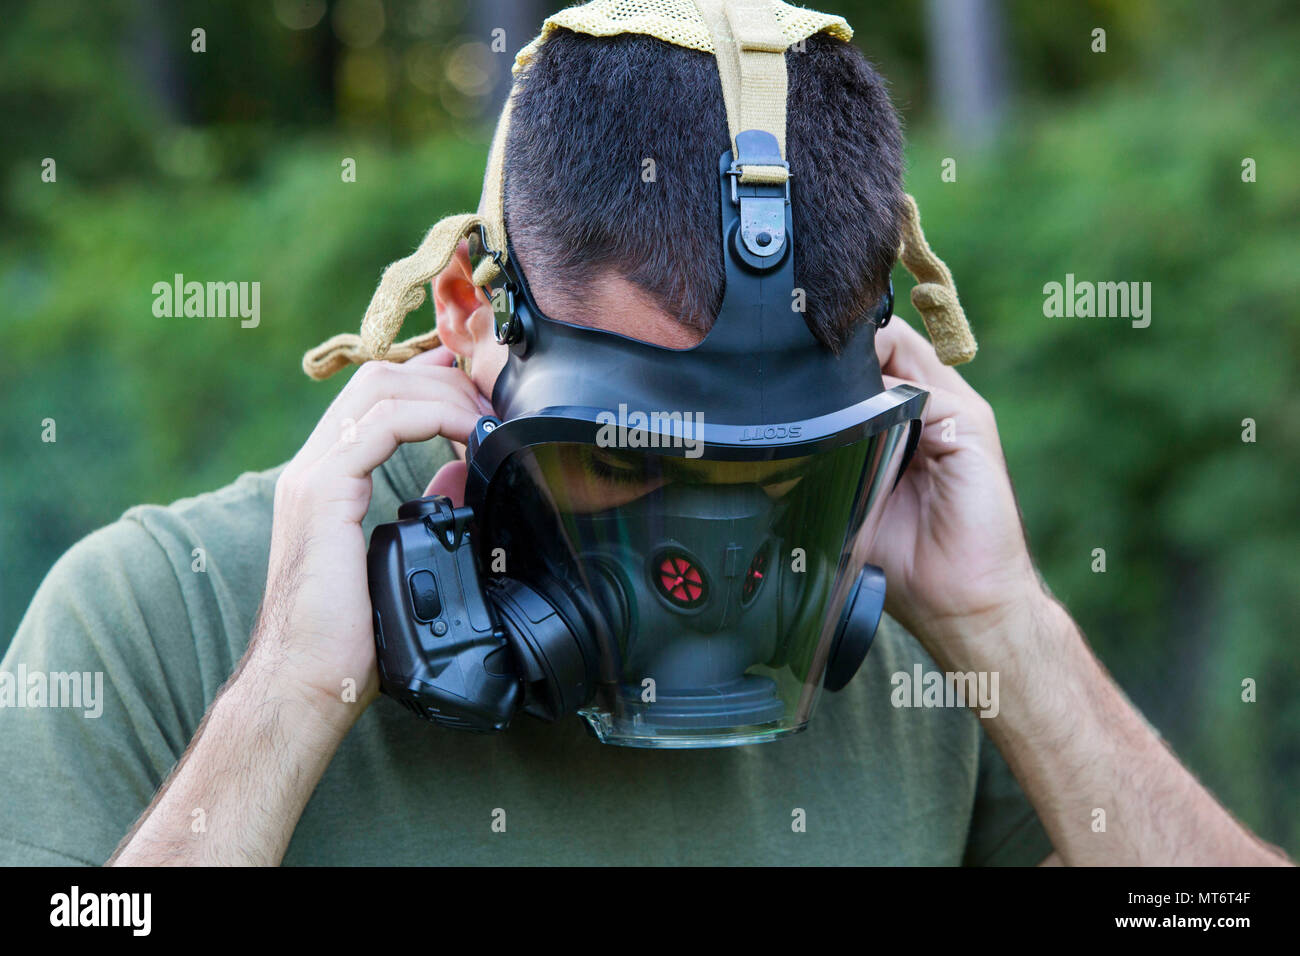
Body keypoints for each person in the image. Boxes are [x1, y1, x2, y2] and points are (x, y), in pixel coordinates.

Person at [0, 24, 1288, 867]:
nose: (708, 555)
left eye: (779, 466)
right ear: (467, 315)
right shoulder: (151, 621)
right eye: (629, 456)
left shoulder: (930, 643)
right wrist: (284, 700)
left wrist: (1013, 630)